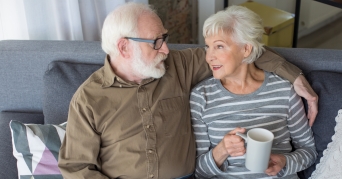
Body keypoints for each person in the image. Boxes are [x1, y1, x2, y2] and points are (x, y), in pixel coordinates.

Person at [58, 2, 318, 179]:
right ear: (125, 48)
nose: (166, 50)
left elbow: (239, 50)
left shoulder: (180, 66)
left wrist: (293, 76)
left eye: (165, 39)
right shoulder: (88, 99)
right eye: (157, 42)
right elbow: (76, 168)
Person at [190, 5, 317, 179]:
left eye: (219, 46)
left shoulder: (284, 90)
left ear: (246, 49)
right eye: (208, 47)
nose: (209, 57)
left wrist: (284, 162)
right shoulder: (201, 97)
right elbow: (197, 171)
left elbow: (309, 151)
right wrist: (221, 151)